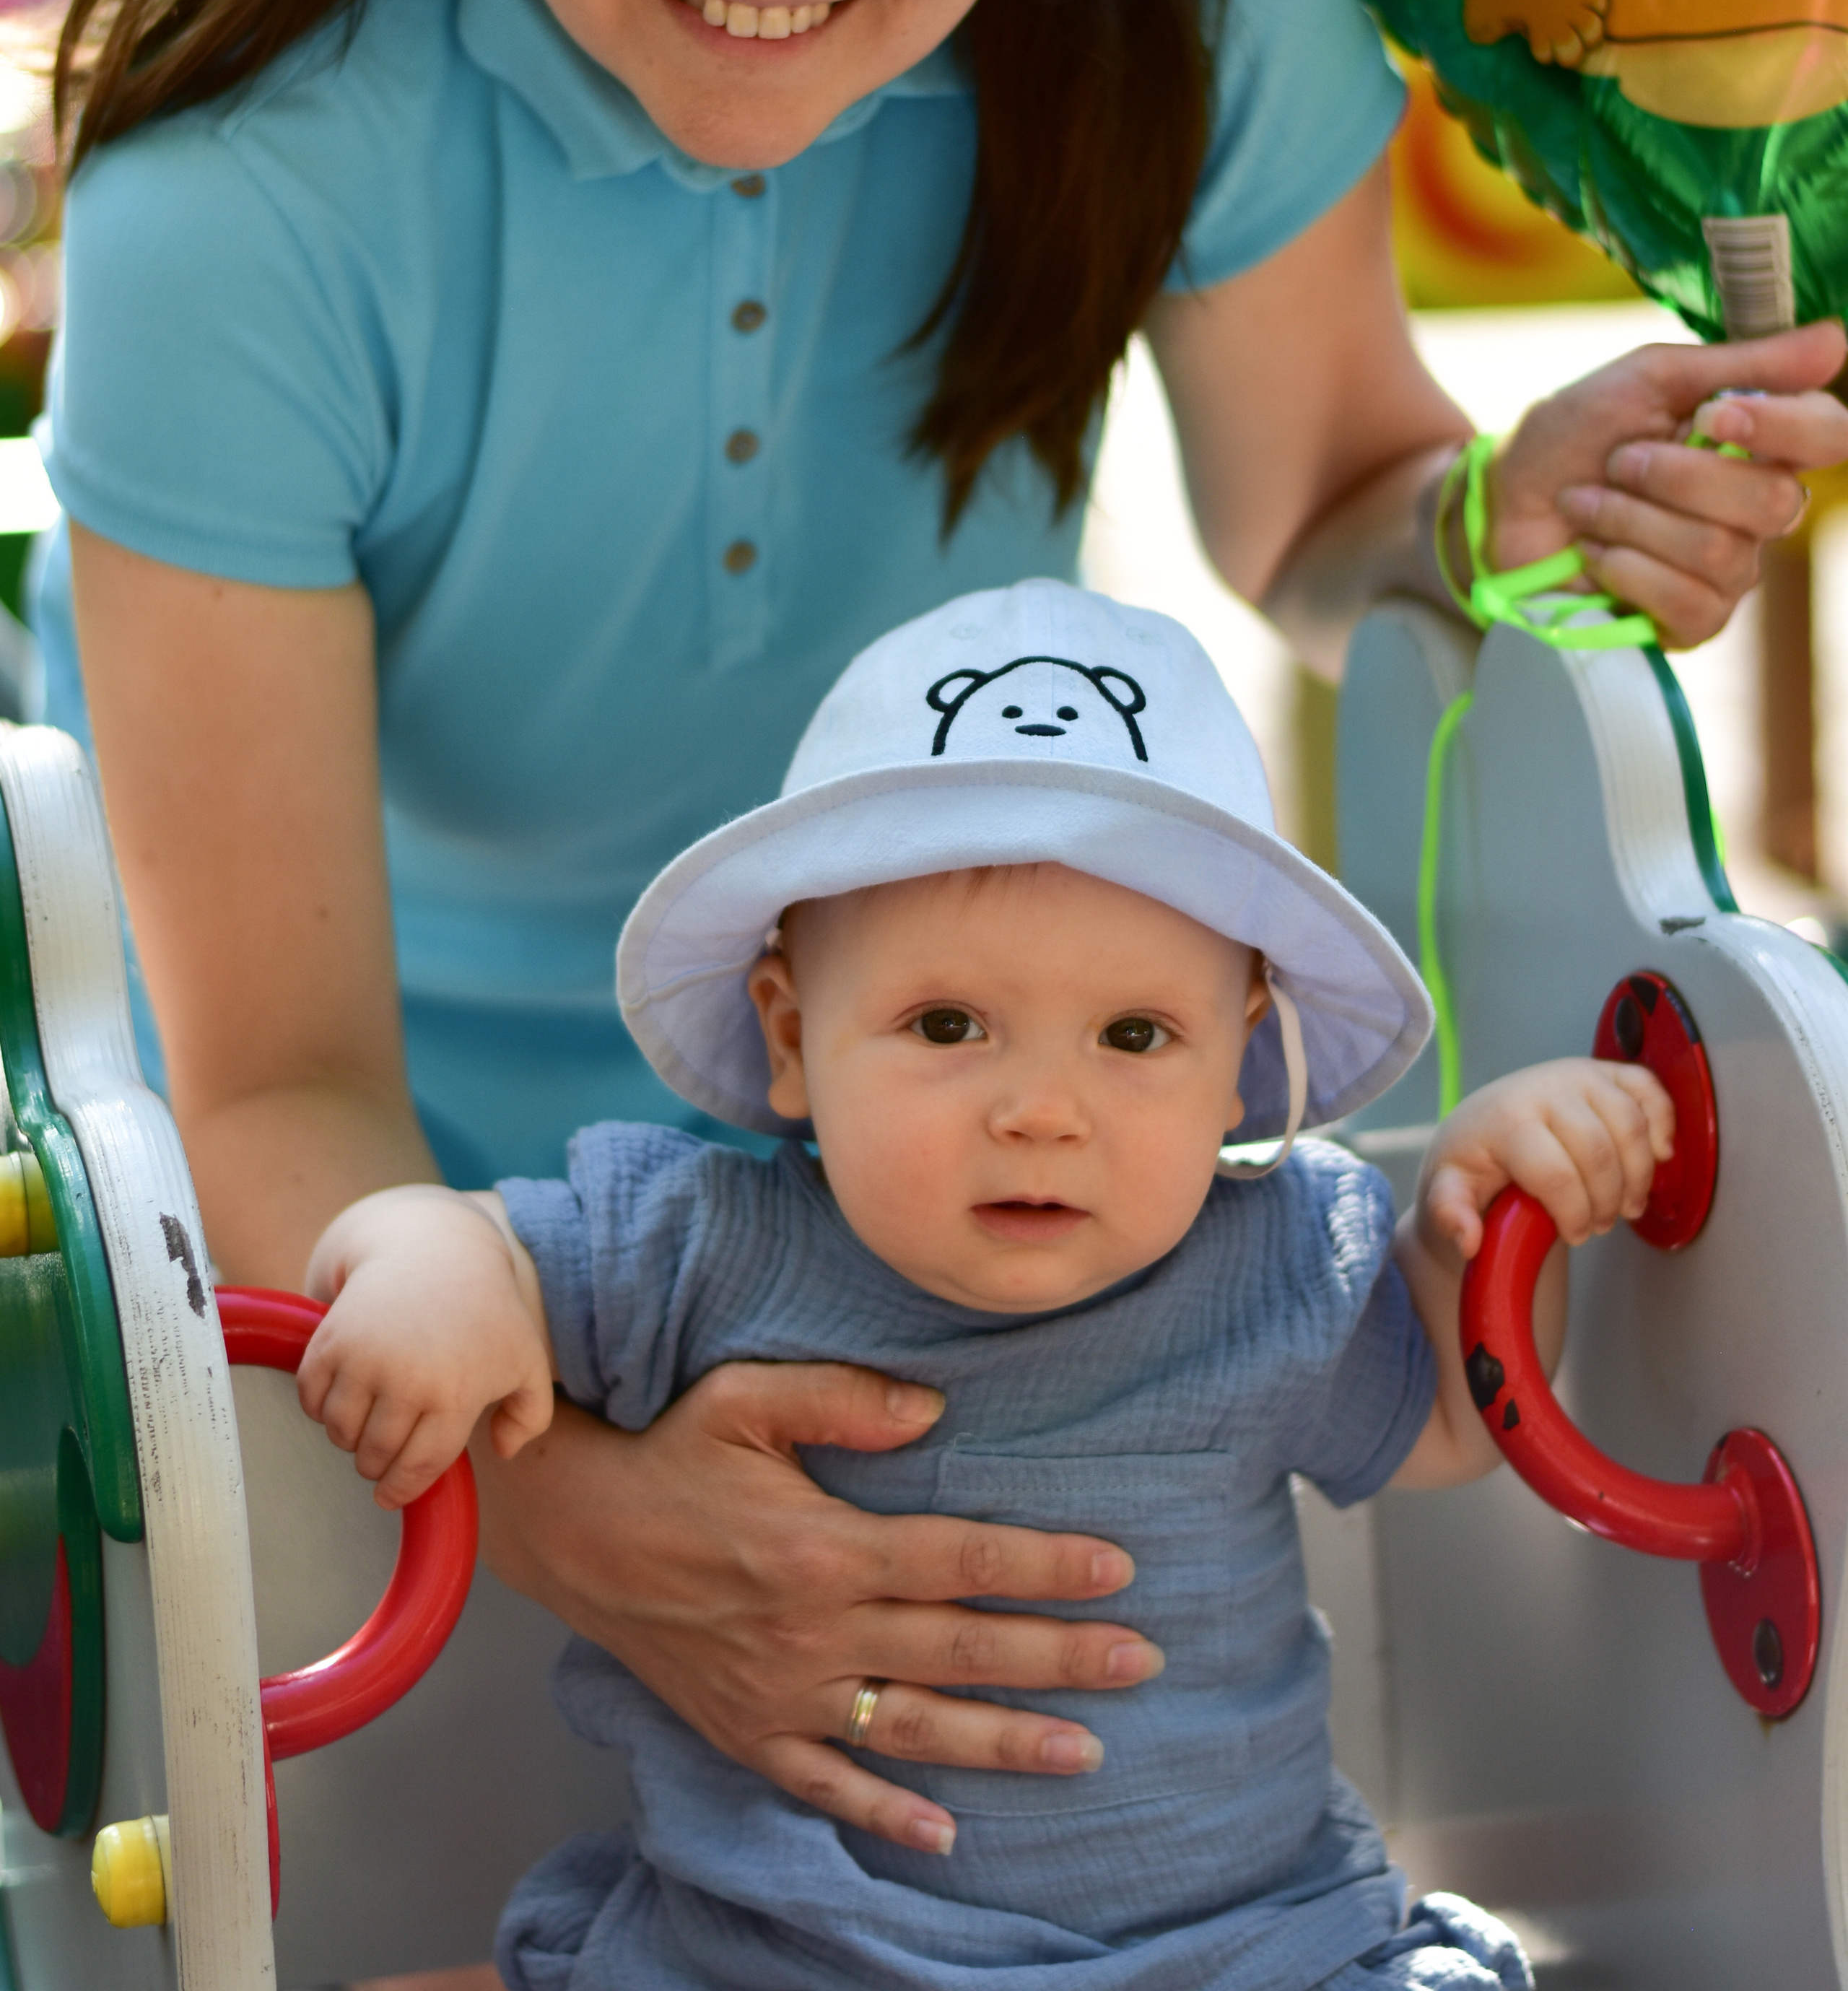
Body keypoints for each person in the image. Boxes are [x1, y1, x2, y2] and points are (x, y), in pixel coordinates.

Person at [40, 0, 1844, 1941]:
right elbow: (273, 1070)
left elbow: (1327, 509)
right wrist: (585, 1507)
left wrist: (1513, 511)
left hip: (979, 1124)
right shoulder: (244, 165)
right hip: (389, 1263)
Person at [297, 579, 1673, 1988]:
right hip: (791, 1956)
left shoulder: (1277, 1255)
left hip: (1242, 1951)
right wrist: (430, 1264)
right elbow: (462, 1239)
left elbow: (1455, 1410)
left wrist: (1494, 1202)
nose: (1040, 1112)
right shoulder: (700, 1240)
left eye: (1133, 1036)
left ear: (1240, 1059)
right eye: (948, 1024)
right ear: (790, 1036)